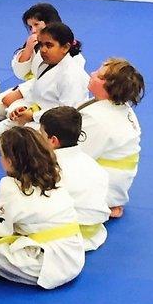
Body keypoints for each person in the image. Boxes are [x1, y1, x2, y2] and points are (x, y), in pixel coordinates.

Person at [0, 126, 85, 289]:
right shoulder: (53, 175)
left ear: (10, 161)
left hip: (47, 265)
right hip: (73, 254)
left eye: (1, 155)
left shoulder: (11, 188)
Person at [0, 22, 89, 144]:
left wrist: (33, 115)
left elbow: (67, 115)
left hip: (57, 128)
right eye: (41, 44)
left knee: (11, 142)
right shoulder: (46, 64)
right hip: (38, 114)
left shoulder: (72, 75)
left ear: (65, 47)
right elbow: (38, 91)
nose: (43, 50)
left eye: (49, 45)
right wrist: (23, 109)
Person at [78, 58, 145, 218]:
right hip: (114, 186)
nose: (92, 74)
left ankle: (103, 206)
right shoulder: (118, 106)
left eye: (99, 76)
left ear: (110, 87)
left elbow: (76, 157)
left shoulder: (98, 119)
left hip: (102, 191)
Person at [39, 107, 110, 251]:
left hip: (66, 237)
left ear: (53, 141)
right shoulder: (91, 163)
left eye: (41, 134)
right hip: (95, 232)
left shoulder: (51, 169)